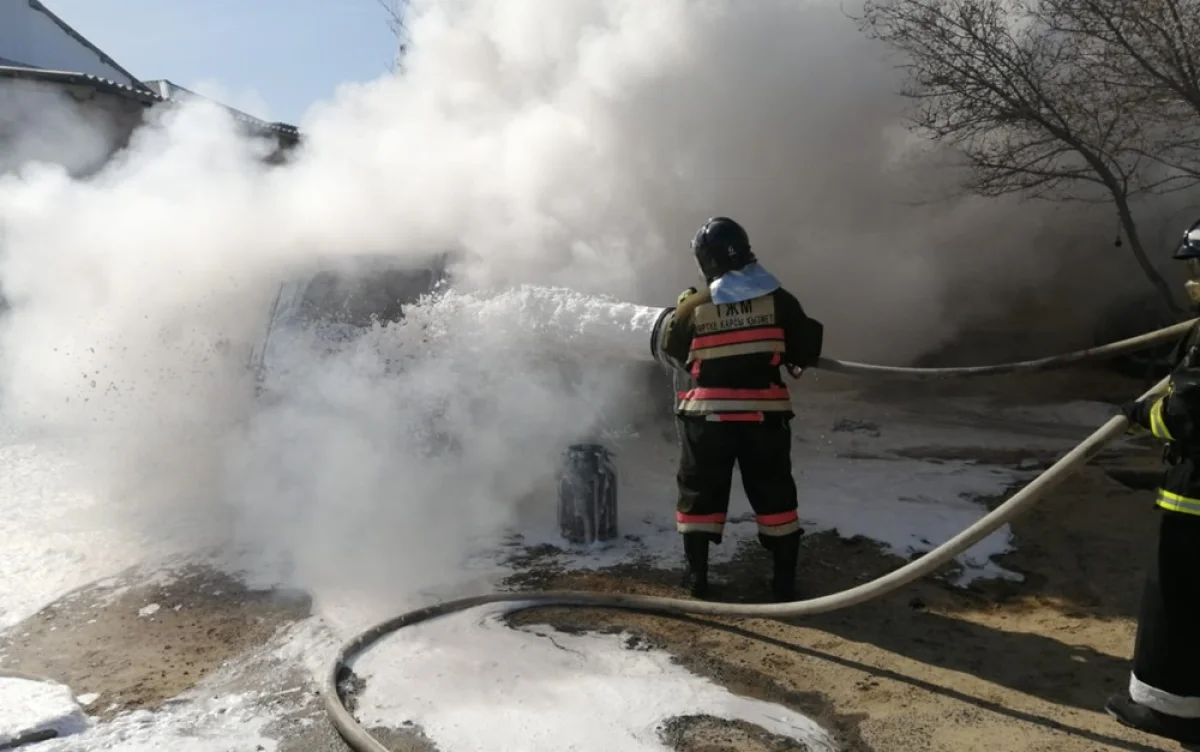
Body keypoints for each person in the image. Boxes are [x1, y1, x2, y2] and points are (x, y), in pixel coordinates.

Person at [655, 216, 824, 601]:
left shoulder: (695, 307)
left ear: (707, 261)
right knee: (775, 495)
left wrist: (684, 306)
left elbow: (672, 348)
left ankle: (698, 580)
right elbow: (806, 349)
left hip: (708, 423)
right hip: (764, 422)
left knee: (699, 496)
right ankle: (783, 583)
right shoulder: (781, 301)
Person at [1108, 217, 1200, 743]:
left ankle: (1165, 708)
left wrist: (1146, 415)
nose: (1194, 277)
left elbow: (1189, 416)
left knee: (1177, 600)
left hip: (1196, 500)